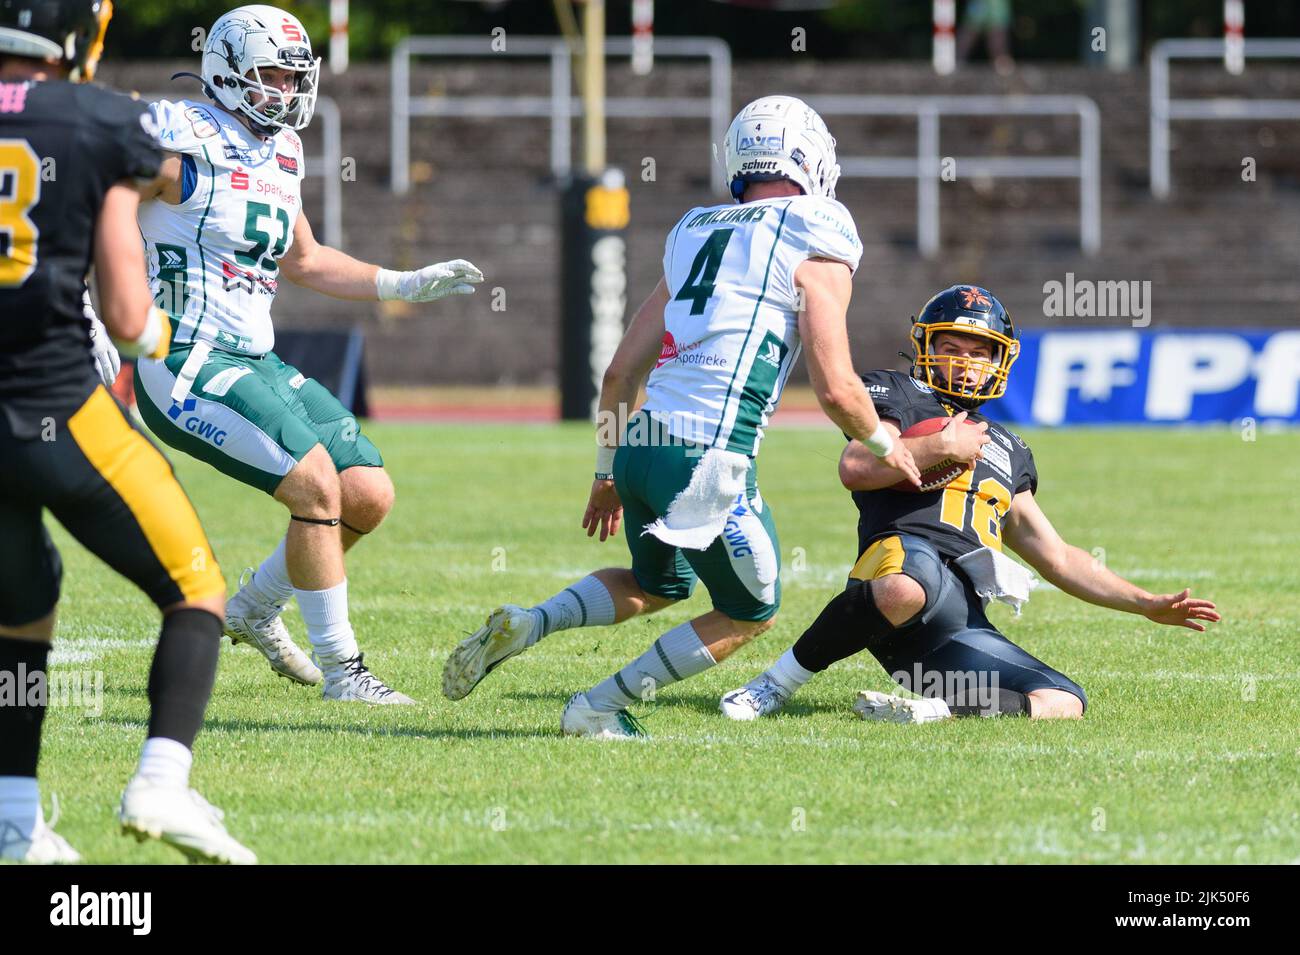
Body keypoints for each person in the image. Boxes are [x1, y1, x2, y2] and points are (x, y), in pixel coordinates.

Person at [442, 95, 920, 738]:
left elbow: (618, 373)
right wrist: (889, 446)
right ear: (811, 160)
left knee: (656, 584)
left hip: (639, 443)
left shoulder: (696, 229)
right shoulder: (816, 227)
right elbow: (835, 388)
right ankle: (597, 707)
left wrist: (607, 471)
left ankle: (531, 622)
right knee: (751, 612)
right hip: (707, 458)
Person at [127, 4, 483, 702]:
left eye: (293, 77)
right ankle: (345, 672)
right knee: (316, 484)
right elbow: (96, 194)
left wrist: (402, 281)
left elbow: (307, 258)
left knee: (367, 493)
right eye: (268, 75)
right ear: (227, 72)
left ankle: (255, 608)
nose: (285, 91)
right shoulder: (181, 140)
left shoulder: (281, 152)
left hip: (255, 357)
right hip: (185, 358)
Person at [721, 285, 1220, 723]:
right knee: (907, 584)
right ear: (925, 348)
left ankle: (931, 711)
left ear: (998, 361)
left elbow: (1059, 556)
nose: (963, 361)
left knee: (1064, 700)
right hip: (899, 569)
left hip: (957, 618)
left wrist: (1144, 603)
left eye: (978, 352)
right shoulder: (899, 392)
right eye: (951, 347)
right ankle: (776, 683)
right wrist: (938, 446)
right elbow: (855, 466)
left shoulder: (1011, 448)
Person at [0, 0, 253, 863]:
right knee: (196, 588)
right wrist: (152, 339)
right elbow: (125, 308)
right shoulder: (105, 120)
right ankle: (161, 781)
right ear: (81, 35)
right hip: (59, 407)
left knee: (21, 613)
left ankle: (14, 817)